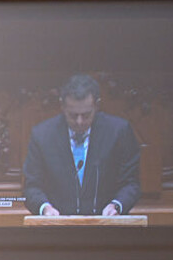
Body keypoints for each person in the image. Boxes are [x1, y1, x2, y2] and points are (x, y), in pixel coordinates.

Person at [22, 74, 141, 217]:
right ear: (62, 106)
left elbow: (131, 183)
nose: (79, 122)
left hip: (106, 227)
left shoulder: (119, 132)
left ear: (97, 105)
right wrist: (45, 208)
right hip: (57, 228)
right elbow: (31, 186)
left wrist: (116, 205)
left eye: (86, 115)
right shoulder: (42, 135)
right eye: (73, 115)